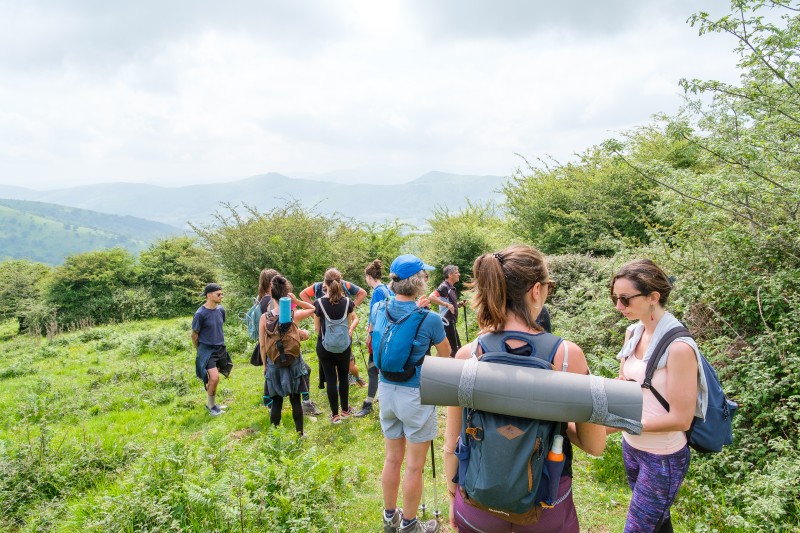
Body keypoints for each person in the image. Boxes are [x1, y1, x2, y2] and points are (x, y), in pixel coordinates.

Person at [443, 245, 606, 532]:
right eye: (548, 287)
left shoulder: (467, 355)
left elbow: (451, 444)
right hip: (546, 504)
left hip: (476, 503)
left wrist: (452, 496)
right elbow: (594, 445)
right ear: (535, 290)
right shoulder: (567, 356)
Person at [611, 259, 702, 533]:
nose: (618, 307)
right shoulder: (633, 331)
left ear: (653, 297)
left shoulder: (679, 348)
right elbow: (625, 385)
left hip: (663, 457)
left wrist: (625, 424)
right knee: (658, 524)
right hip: (631, 446)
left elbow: (681, 419)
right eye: (615, 298)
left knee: (638, 528)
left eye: (625, 299)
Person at [377, 254, 450, 533]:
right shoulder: (429, 319)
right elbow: (446, 355)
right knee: (414, 466)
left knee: (392, 459)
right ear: (419, 282)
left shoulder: (381, 308)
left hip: (386, 390)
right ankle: (410, 524)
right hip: (415, 395)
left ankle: (389, 518)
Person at [256, 269, 322, 416]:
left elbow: (275, 326)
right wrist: (298, 333)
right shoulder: (272, 303)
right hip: (283, 349)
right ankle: (304, 403)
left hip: (272, 349)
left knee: (283, 379)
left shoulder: (263, 300)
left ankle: (280, 408)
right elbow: (278, 325)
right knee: (296, 379)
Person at [300, 276, 368, 387]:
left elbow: (355, 317)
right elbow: (303, 294)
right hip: (327, 338)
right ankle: (337, 388)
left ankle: (356, 378)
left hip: (343, 339)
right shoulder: (319, 296)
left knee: (350, 365)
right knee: (334, 367)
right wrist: (314, 310)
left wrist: (351, 310)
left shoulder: (344, 302)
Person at [314, 268, 360, 423]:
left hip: (325, 346)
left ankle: (335, 415)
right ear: (340, 282)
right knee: (343, 378)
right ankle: (345, 410)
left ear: (324, 283)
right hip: (343, 346)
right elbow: (347, 325)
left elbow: (316, 329)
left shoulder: (319, 303)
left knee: (331, 379)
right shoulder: (348, 302)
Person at [355, 258, 393, 417]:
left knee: (372, 369)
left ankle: (368, 404)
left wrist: (369, 334)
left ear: (369, 277)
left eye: (366, 277)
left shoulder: (378, 291)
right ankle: (383, 398)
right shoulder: (387, 289)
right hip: (388, 334)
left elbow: (375, 315)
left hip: (378, 336)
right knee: (382, 369)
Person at [192, 283, 233, 416]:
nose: (222, 296)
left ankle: (212, 404)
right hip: (206, 349)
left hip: (220, 348)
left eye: (222, 293)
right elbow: (194, 335)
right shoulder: (200, 313)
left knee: (214, 378)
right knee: (214, 378)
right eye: (218, 294)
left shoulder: (221, 310)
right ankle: (211, 408)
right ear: (209, 295)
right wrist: (200, 350)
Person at [428, 264, 464, 357]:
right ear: (450, 275)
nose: (459, 274)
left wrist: (458, 305)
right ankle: (451, 369)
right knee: (455, 349)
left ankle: (435, 366)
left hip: (449, 321)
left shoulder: (451, 288)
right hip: (447, 321)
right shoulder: (444, 287)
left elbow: (449, 303)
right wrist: (446, 304)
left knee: (448, 349)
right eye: (456, 273)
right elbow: (431, 297)